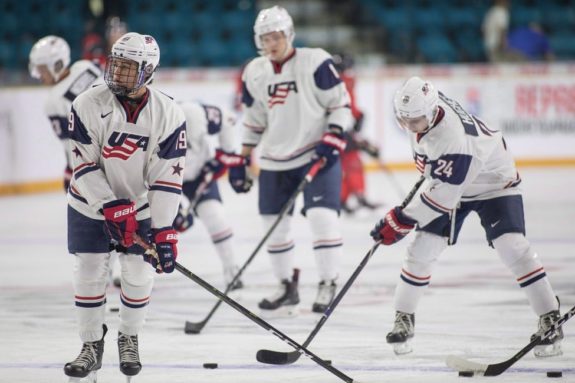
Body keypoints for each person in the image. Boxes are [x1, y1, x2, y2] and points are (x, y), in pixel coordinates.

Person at [370, 76, 563, 357]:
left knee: (512, 247)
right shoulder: (423, 110)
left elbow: (444, 196)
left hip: (493, 183)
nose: (409, 128)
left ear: (432, 112)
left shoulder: (454, 139)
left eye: (414, 122)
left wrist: (401, 220)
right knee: (422, 248)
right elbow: (439, 171)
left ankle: (550, 317)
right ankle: (404, 316)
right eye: (404, 121)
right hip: (454, 179)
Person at [64, 32, 187, 381]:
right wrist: (111, 205)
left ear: (148, 71)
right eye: (115, 65)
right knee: (89, 272)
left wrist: (164, 231)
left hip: (142, 205)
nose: (117, 73)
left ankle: (129, 337)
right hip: (88, 205)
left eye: (128, 68)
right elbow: (82, 165)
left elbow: (167, 178)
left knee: (138, 273)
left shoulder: (169, 113)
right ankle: (91, 345)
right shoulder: (87, 103)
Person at [230, 5, 353, 317]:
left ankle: (328, 282)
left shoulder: (315, 61)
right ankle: (287, 286)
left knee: (322, 218)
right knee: (273, 227)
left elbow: (341, 105)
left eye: (276, 36)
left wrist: (333, 137)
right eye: (265, 38)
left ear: (289, 35)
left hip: (316, 154)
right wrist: (242, 159)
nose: (271, 43)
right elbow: (255, 119)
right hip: (273, 160)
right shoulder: (254, 71)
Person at [173, 101, 244, 290]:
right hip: (166, 181)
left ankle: (232, 269)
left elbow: (228, 119)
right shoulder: (154, 127)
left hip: (200, 174)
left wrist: (225, 154)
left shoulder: (199, 114)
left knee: (215, 216)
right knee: (150, 225)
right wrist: (177, 207)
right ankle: (129, 272)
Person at [29, 35, 102, 192]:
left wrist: (71, 171)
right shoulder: (85, 66)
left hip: (94, 162)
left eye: (41, 69)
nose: (39, 75)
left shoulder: (53, 101)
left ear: (56, 65)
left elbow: (72, 146)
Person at [332, 53, 381, 214]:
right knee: (350, 162)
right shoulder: (342, 82)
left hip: (342, 127)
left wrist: (358, 116)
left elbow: (351, 106)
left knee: (345, 163)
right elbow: (346, 106)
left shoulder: (342, 82)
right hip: (340, 128)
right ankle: (355, 195)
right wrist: (356, 118)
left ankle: (343, 198)